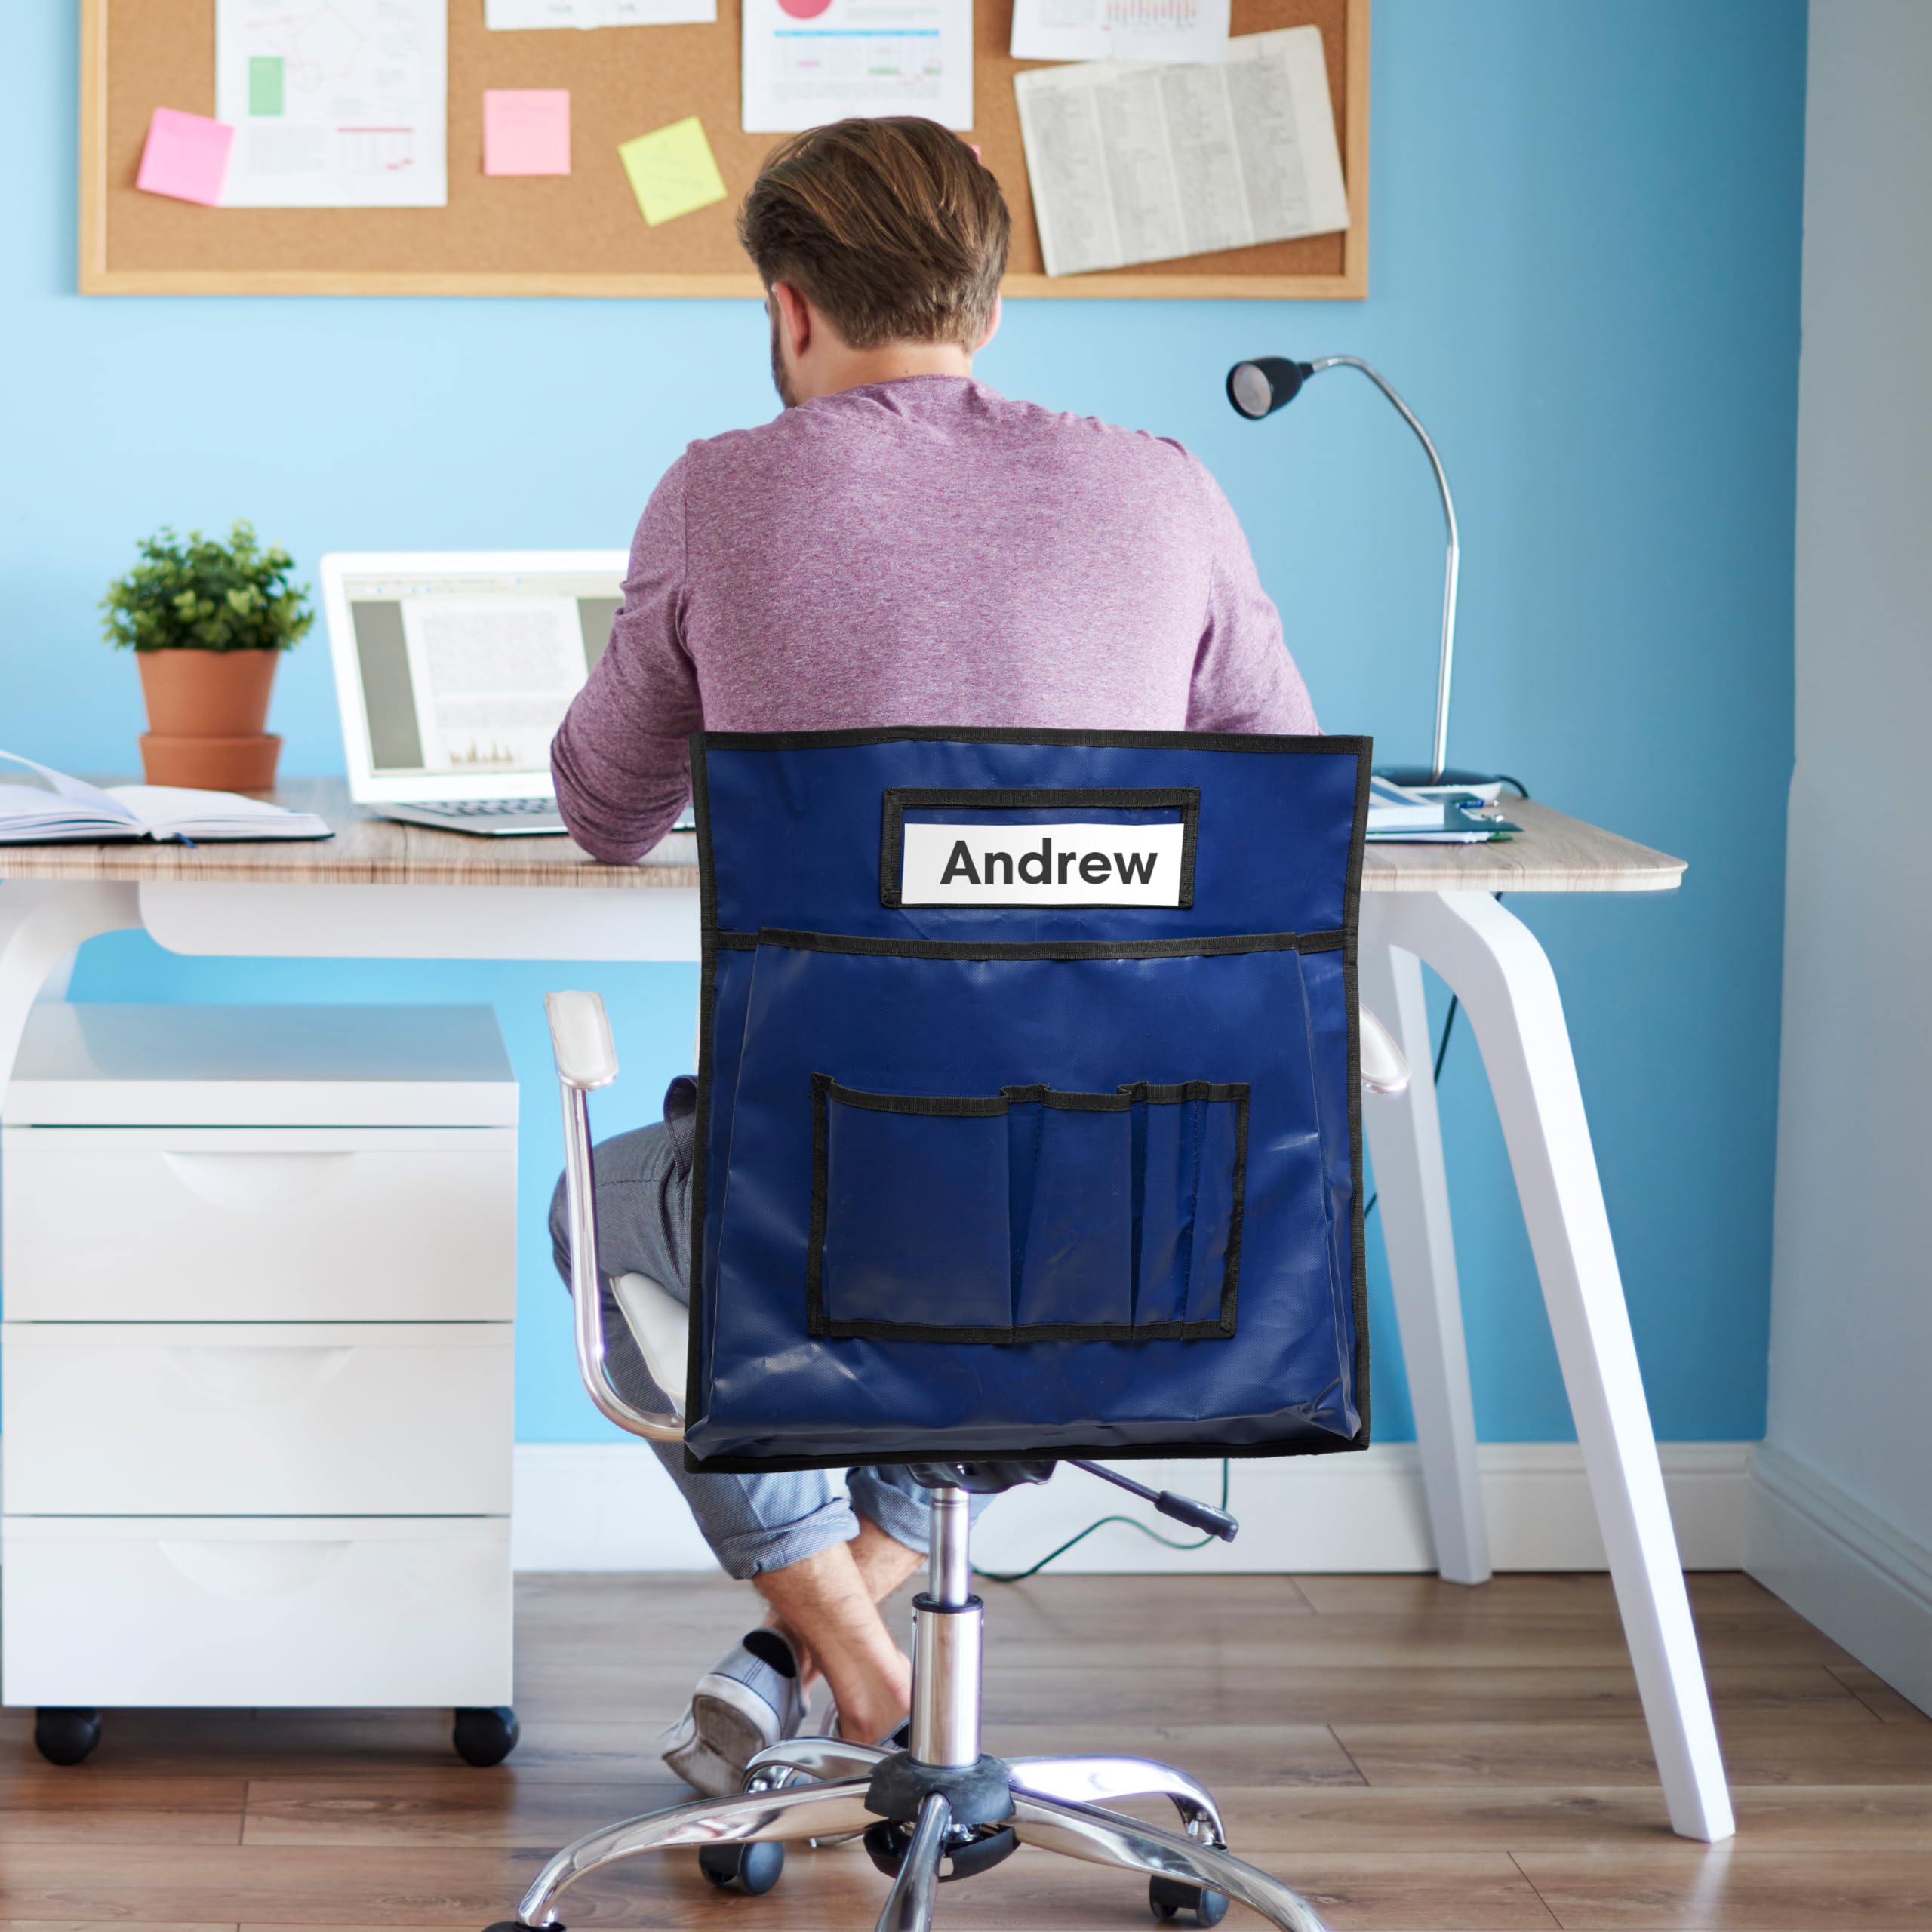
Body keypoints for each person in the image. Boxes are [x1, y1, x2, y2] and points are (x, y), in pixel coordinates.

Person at [548, 115, 1318, 1798]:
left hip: (831, 1185)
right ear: (987, 303)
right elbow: (1273, 794)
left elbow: (603, 808)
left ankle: (854, 1672)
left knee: (602, 1203)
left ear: (789, 305)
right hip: (1122, 1199)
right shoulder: (1167, 487)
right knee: (1008, 1260)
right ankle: (846, 1656)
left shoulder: (717, 491)